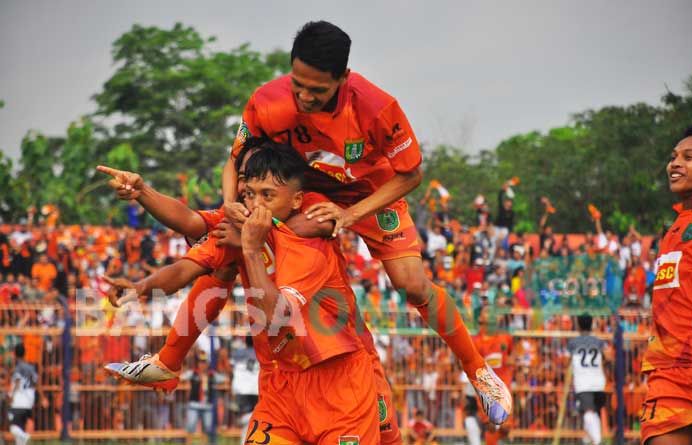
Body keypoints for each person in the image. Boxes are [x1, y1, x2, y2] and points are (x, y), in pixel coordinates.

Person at [221, 19, 510, 425]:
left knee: (411, 284)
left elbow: (411, 174)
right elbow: (235, 159)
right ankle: (170, 358)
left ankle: (478, 369)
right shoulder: (268, 101)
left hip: (370, 193)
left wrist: (351, 214)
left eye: (317, 90)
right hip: (308, 194)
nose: (304, 96)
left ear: (343, 78)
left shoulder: (377, 108)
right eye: (297, 84)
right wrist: (229, 201)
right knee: (222, 239)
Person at [103, 141, 383, 444]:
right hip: (280, 385)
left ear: (296, 199)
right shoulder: (237, 224)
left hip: (339, 378)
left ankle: (167, 362)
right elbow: (185, 259)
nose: (255, 204)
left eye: (267, 194)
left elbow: (278, 314)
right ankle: (167, 362)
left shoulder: (309, 237)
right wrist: (141, 286)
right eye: (249, 191)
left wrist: (250, 247)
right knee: (220, 269)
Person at [640, 126, 692, 445]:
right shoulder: (674, 228)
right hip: (671, 377)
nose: (674, 163)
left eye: (689, 157)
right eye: (673, 156)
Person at [566, 314, 609, 445]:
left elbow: (567, 360)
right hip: (599, 382)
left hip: (583, 383)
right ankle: (588, 439)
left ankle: (597, 441)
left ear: (578, 325)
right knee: (592, 412)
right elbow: (608, 356)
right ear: (591, 324)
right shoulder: (599, 341)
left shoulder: (573, 343)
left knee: (588, 413)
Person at [472, 307, 514, 445]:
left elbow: (511, 355)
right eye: (486, 312)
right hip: (486, 390)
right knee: (491, 428)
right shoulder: (475, 342)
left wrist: (511, 363)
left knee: (506, 428)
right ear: (481, 319)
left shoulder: (505, 338)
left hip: (504, 390)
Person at [8, 344, 38, 445]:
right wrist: (42, 398)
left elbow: (17, 382)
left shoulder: (18, 368)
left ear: (15, 354)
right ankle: (23, 438)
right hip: (28, 402)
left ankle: (25, 436)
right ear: (25, 354)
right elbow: (36, 383)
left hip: (18, 402)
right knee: (20, 432)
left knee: (13, 428)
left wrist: (11, 396)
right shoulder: (32, 367)